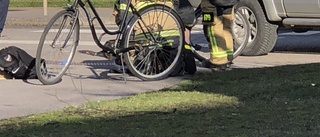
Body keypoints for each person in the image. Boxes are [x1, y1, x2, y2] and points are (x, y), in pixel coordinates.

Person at [200, 0, 239, 71]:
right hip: (229, 3)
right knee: (226, 27)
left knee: (212, 29)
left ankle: (218, 60)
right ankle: (228, 57)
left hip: (211, 4)